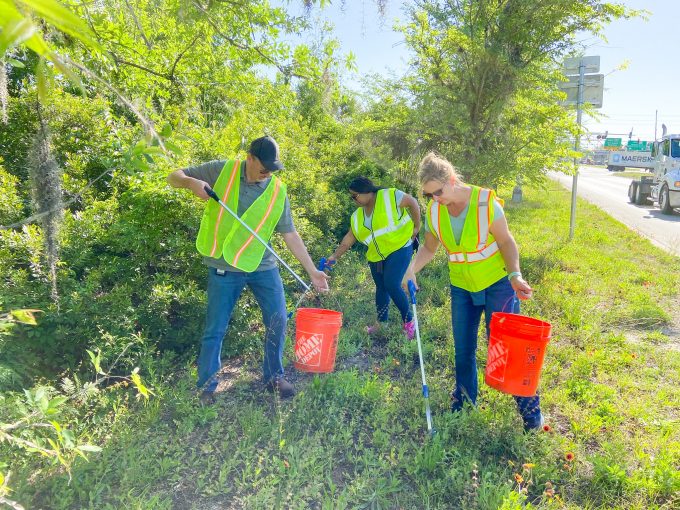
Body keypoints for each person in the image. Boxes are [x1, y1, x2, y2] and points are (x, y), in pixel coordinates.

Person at [167, 136, 329, 403]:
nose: (268, 172)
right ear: (250, 157)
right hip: (224, 265)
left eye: (272, 168)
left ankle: (273, 377)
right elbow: (173, 175)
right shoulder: (223, 170)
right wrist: (189, 181)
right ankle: (207, 386)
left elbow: (290, 233)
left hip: (262, 265)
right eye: (263, 166)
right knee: (215, 328)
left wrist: (312, 271)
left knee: (278, 320)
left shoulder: (277, 190)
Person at [403, 152, 543, 431]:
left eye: (439, 192)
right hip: (462, 288)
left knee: (505, 349)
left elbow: (506, 241)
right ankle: (464, 404)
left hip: (497, 285)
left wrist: (515, 274)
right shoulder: (434, 210)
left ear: (452, 179)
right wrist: (410, 270)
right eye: (429, 195)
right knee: (463, 349)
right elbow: (430, 247)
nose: (435, 199)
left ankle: (531, 414)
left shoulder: (485, 203)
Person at [327, 177, 421, 339]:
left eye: (354, 196)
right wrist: (335, 256)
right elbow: (349, 237)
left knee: (391, 284)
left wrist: (416, 226)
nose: (353, 200)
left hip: (400, 246)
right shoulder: (357, 216)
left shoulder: (390, 195)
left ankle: (409, 323)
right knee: (381, 287)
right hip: (377, 256)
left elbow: (412, 202)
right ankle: (381, 323)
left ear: (366, 192)